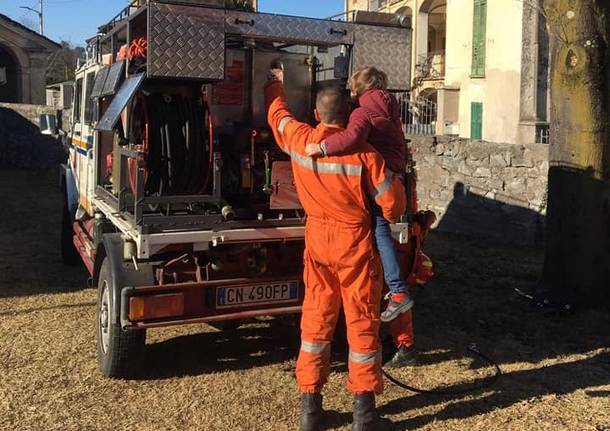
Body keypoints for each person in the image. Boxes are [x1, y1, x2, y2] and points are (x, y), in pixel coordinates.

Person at [265, 66, 406, 431]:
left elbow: (277, 116)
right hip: (354, 245)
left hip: (318, 244)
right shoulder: (366, 156)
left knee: (315, 323)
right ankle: (365, 415)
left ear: (315, 114)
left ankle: (311, 411)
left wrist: (273, 83)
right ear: (350, 117)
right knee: (361, 326)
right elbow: (394, 206)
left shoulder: (299, 140)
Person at [306, 66, 414, 323]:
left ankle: (397, 291)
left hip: (381, 177)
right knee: (382, 231)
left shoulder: (363, 113)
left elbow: (352, 138)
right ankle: (394, 290)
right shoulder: (390, 105)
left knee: (379, 230)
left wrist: (322, 147)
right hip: (395, 172)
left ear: (358, 89)